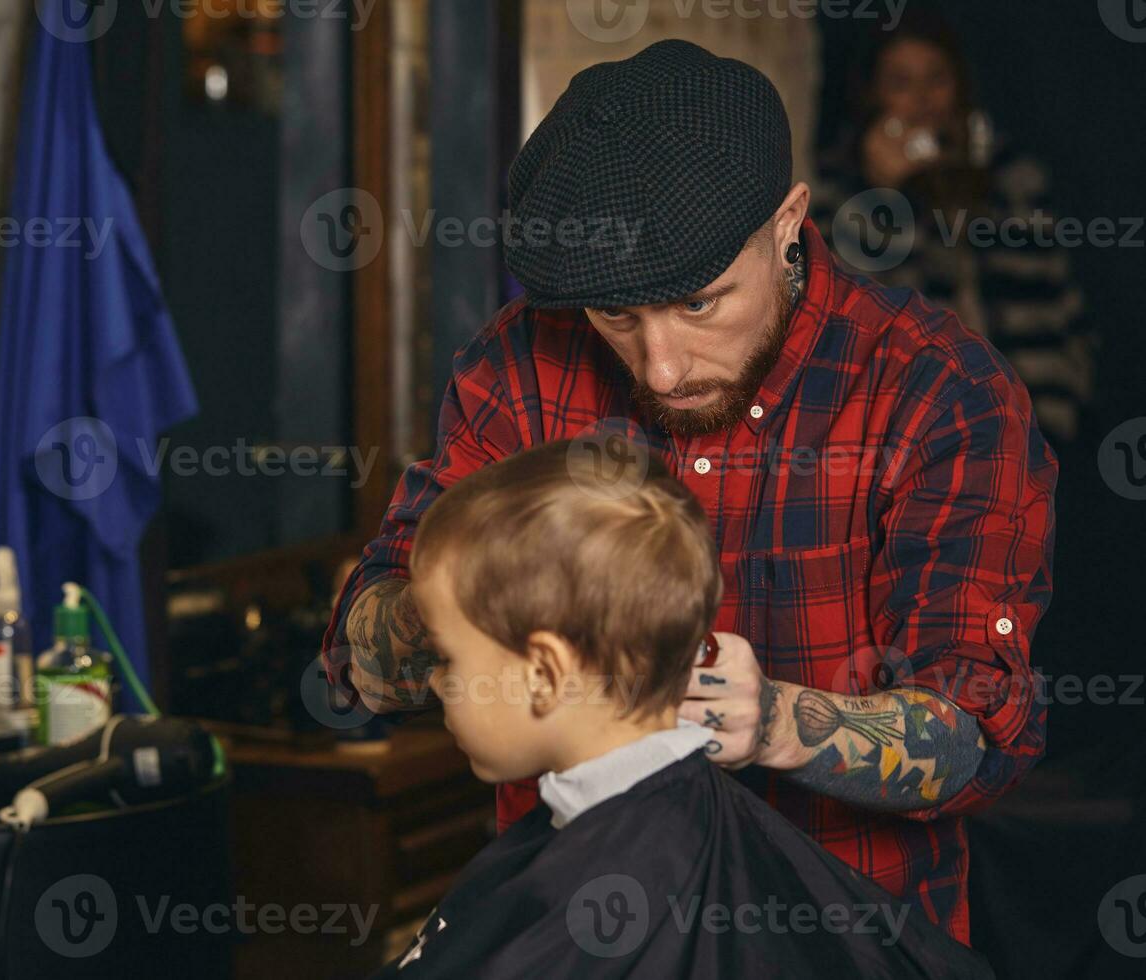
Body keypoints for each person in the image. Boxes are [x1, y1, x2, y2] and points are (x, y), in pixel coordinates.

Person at [323, 39, 1056, 946]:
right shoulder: (522, 365)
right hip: (580, 930)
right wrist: (475, 616)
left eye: (701, 303)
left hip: (850, 945)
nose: (662, 369)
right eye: (617, 316)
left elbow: (980, 735)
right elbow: (365, 654)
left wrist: (778, 720)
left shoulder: (939, 392)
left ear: (789, 223)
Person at [368, 438, 991, 978]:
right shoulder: (653, 831)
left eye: (449, 657)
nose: (440, 683)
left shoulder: (622, 890)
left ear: (545, 672)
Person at [809, 13, 1097, 448]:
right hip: (914, 439)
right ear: (873, 94)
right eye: (901, 83)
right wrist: (886, 194)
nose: (922, 99)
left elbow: (1060, 298)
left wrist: (1066, 396)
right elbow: (848, 313)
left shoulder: (1011, 177)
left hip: (1029, 433)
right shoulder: (840, 186)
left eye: (936, 78)